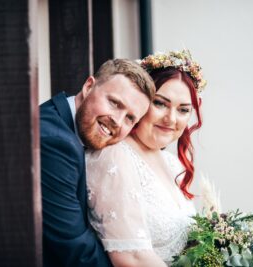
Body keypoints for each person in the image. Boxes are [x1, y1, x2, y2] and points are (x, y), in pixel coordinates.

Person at [0, 59, 155, 266]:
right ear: (88, 86)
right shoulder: (53, 141)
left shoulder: (60, 123)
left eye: (130, 118)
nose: (118, 121)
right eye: (114, 103)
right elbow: (74, 248)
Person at [86, 50, 205, 266]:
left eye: (183, 110)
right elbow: (131, 257)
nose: (171, 118)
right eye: (160, 103)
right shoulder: (115, 154)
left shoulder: (171, 163)